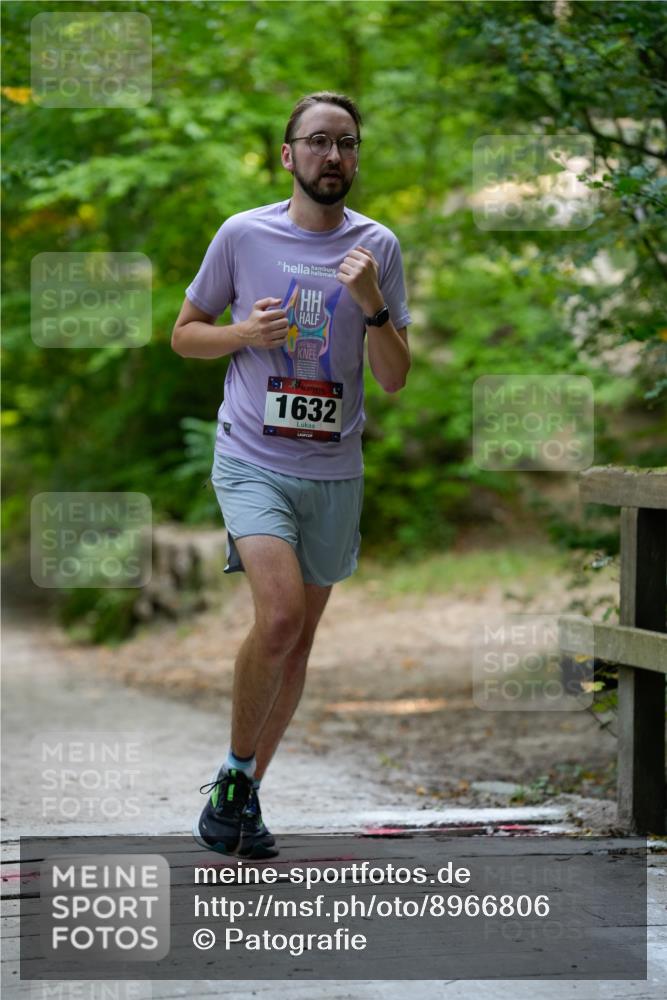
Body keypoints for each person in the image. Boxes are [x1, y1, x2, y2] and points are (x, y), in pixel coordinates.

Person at [172, 91, 411, 859]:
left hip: (333, 468)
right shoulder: (243, 235)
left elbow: (394, 377)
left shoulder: (378, 247)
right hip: (252, 457)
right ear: (287, 155)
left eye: (346, 143)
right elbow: (185, 336)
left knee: (298, 643)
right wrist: (243, 332)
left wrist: (372, 306)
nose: (332, 156)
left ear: (356, 157)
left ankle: (241, 793)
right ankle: (236, 777)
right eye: (317, 141)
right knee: (277, 620)